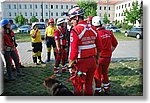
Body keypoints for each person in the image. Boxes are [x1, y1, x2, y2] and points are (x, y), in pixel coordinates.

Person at [67, 6, 101, 96]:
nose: (71, 22)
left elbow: (73, 51)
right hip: (92, 62)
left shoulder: (75, 30)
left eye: (72, 19)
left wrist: (70, 65)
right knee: (88, 86)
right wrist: (96, 60)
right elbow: (99, 47)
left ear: (77, 17)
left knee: (78, 87)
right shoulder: (93, 28)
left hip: (81, 64)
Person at [92, 16, 118, 95]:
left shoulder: (95, 34)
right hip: (107, 57)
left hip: (99, 58)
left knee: (97, 74)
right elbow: (115, 44)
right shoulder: (109, 32)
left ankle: (98, 90)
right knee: (105, 73)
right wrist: (110, 51)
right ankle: (106, 88)